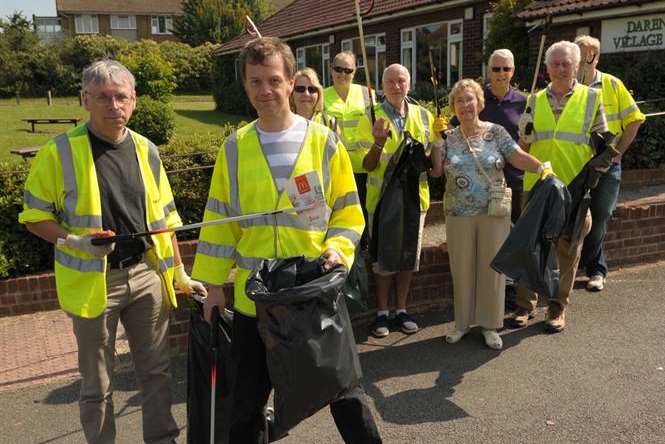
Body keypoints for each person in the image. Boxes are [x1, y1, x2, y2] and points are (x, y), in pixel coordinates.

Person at [191, 37, 382, 443]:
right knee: (244, 409)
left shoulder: (323, 142)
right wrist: (212, 286)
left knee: (347, 397)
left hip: (312, 294)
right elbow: (220, 220)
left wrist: (340, 248)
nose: (265, 91)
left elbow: (349, 210)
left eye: (274, 80)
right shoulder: (234, 149)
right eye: (255, 81)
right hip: (253, 301)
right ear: (245, 86)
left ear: (291, 81)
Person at [18, 60, 205, 444]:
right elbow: (33, 216)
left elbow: (165, 218)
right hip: (93, 281)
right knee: (96, 382)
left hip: (145, 275)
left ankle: (162, 440)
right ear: (85, 100)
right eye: (102, 97)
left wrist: (180, 273)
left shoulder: (146, 149)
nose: (113, 105)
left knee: (156, 372)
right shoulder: (59, 152)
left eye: (121, 97)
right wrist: (72, 241)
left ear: (133, 101)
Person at [511, 40, 613, 333]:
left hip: (573, 185)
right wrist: (524, 134)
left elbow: (603, 147)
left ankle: (557, 306)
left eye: (566, 63)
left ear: (577, 65)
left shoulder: (592, 99)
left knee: (569, 248)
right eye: (554, 64)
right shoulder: (533, 100)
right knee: (531, 245)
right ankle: (524, 305)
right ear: (546, 68)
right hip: (539, 183)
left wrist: (593, 175)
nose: (560, 68)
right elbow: (523, 147)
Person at [442, 79, 549, 350]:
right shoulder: (448, 137)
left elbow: (517, 156)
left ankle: (490, 325)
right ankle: (462, 323)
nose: (465, 105)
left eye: (470, 99)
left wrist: (541, 169)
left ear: (479, 103)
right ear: (454, 106)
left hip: (493, 210)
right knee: (462, 269)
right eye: (459, 101)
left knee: (492, 269)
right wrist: (433, 143)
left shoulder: (496, 132)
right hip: (458, 212)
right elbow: (434, 170)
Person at [362, 64, 443, 338]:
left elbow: (434, 165)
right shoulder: (371, 115)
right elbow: (368, 165)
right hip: (383, 199)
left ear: (409, 83)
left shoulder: (424, 115)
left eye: (402, 80)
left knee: (410, 256)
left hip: (414, 198)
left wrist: (441, 140)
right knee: (384, 258)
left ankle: (402, 309)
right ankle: (382, 313)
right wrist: (377, 142)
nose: (397, 86)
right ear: (382, 85)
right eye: (391, 82)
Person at [450, 48, 528, 310]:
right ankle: (484, 303)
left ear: (513, 71)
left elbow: (523, 145)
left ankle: (510, 296)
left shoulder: (524, 102)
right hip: (474, 192)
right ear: (489, 71)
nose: (501, 74)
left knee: (510, 242)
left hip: (511, 183)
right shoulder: (471, 97)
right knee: (484, 249)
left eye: (506, 69)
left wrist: (538, 165)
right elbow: (451, 139)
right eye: (496, 69)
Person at [575, 35, 645, 292]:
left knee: (601, 213)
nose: (580, 59)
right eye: (577, 54)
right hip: (576, 163)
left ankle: (594, 267)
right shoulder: (569, 86)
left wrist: (617, 151)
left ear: (595, 56)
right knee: (574, 215)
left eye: (584, 54)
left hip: (607, 162)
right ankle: (589, 268)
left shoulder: (613, 84)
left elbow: (635, 119)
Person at [324, 51, 374, 246]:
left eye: (348, 70)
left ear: (355, 72)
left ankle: (362, 251)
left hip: (363, 166)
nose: (342, 74)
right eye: (338, 69)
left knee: (360, 213)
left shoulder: (366, 93)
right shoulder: (322, 95)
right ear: (331, 70)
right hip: (335, 168)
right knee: (339, 215)